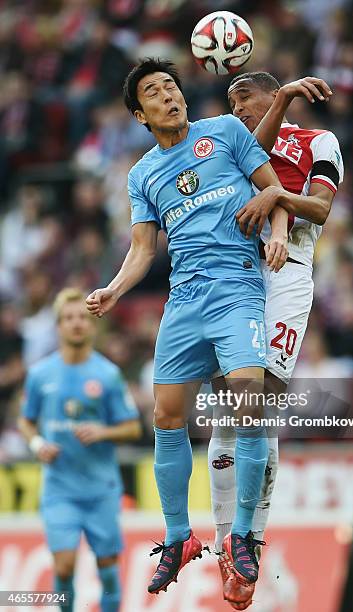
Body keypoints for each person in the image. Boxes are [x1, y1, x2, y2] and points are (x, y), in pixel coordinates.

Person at [85, 58, 291, 597]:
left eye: (172, 86)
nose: (169, 95)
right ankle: (178, 536)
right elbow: (142, 248)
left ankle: (244, 535)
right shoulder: (142, 174)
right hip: (184, 300)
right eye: (154, 92)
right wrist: (113, 289)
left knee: (249, 400)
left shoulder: (224, 132)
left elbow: (273, 192)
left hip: (237, 287)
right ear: (139, 114)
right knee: (165, 415)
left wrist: (276, 233)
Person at [208, 72, 344, 609]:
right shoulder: (230, 144)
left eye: (243, 96)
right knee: (228, 409)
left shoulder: (318, 142)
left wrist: (276, 197)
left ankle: (253, 538)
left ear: (271, 94)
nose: (235, 106)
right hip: (235, 274)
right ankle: (226, 539)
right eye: (229, 98)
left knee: (257, 404)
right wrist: (269, 197)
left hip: (288, 273)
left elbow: (322, 209)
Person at [18, 288, 141, 612]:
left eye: (82, 318)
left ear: (93, 326)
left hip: (101, 489)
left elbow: (133, 428)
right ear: (58, 325)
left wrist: (104, 431)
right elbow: (26, 421)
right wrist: (37, 443)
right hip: (60, 490)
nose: (76, 324)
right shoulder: (40, 375)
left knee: (109, 572)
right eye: (68, 318)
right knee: (63, 566)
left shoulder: (108, 376)